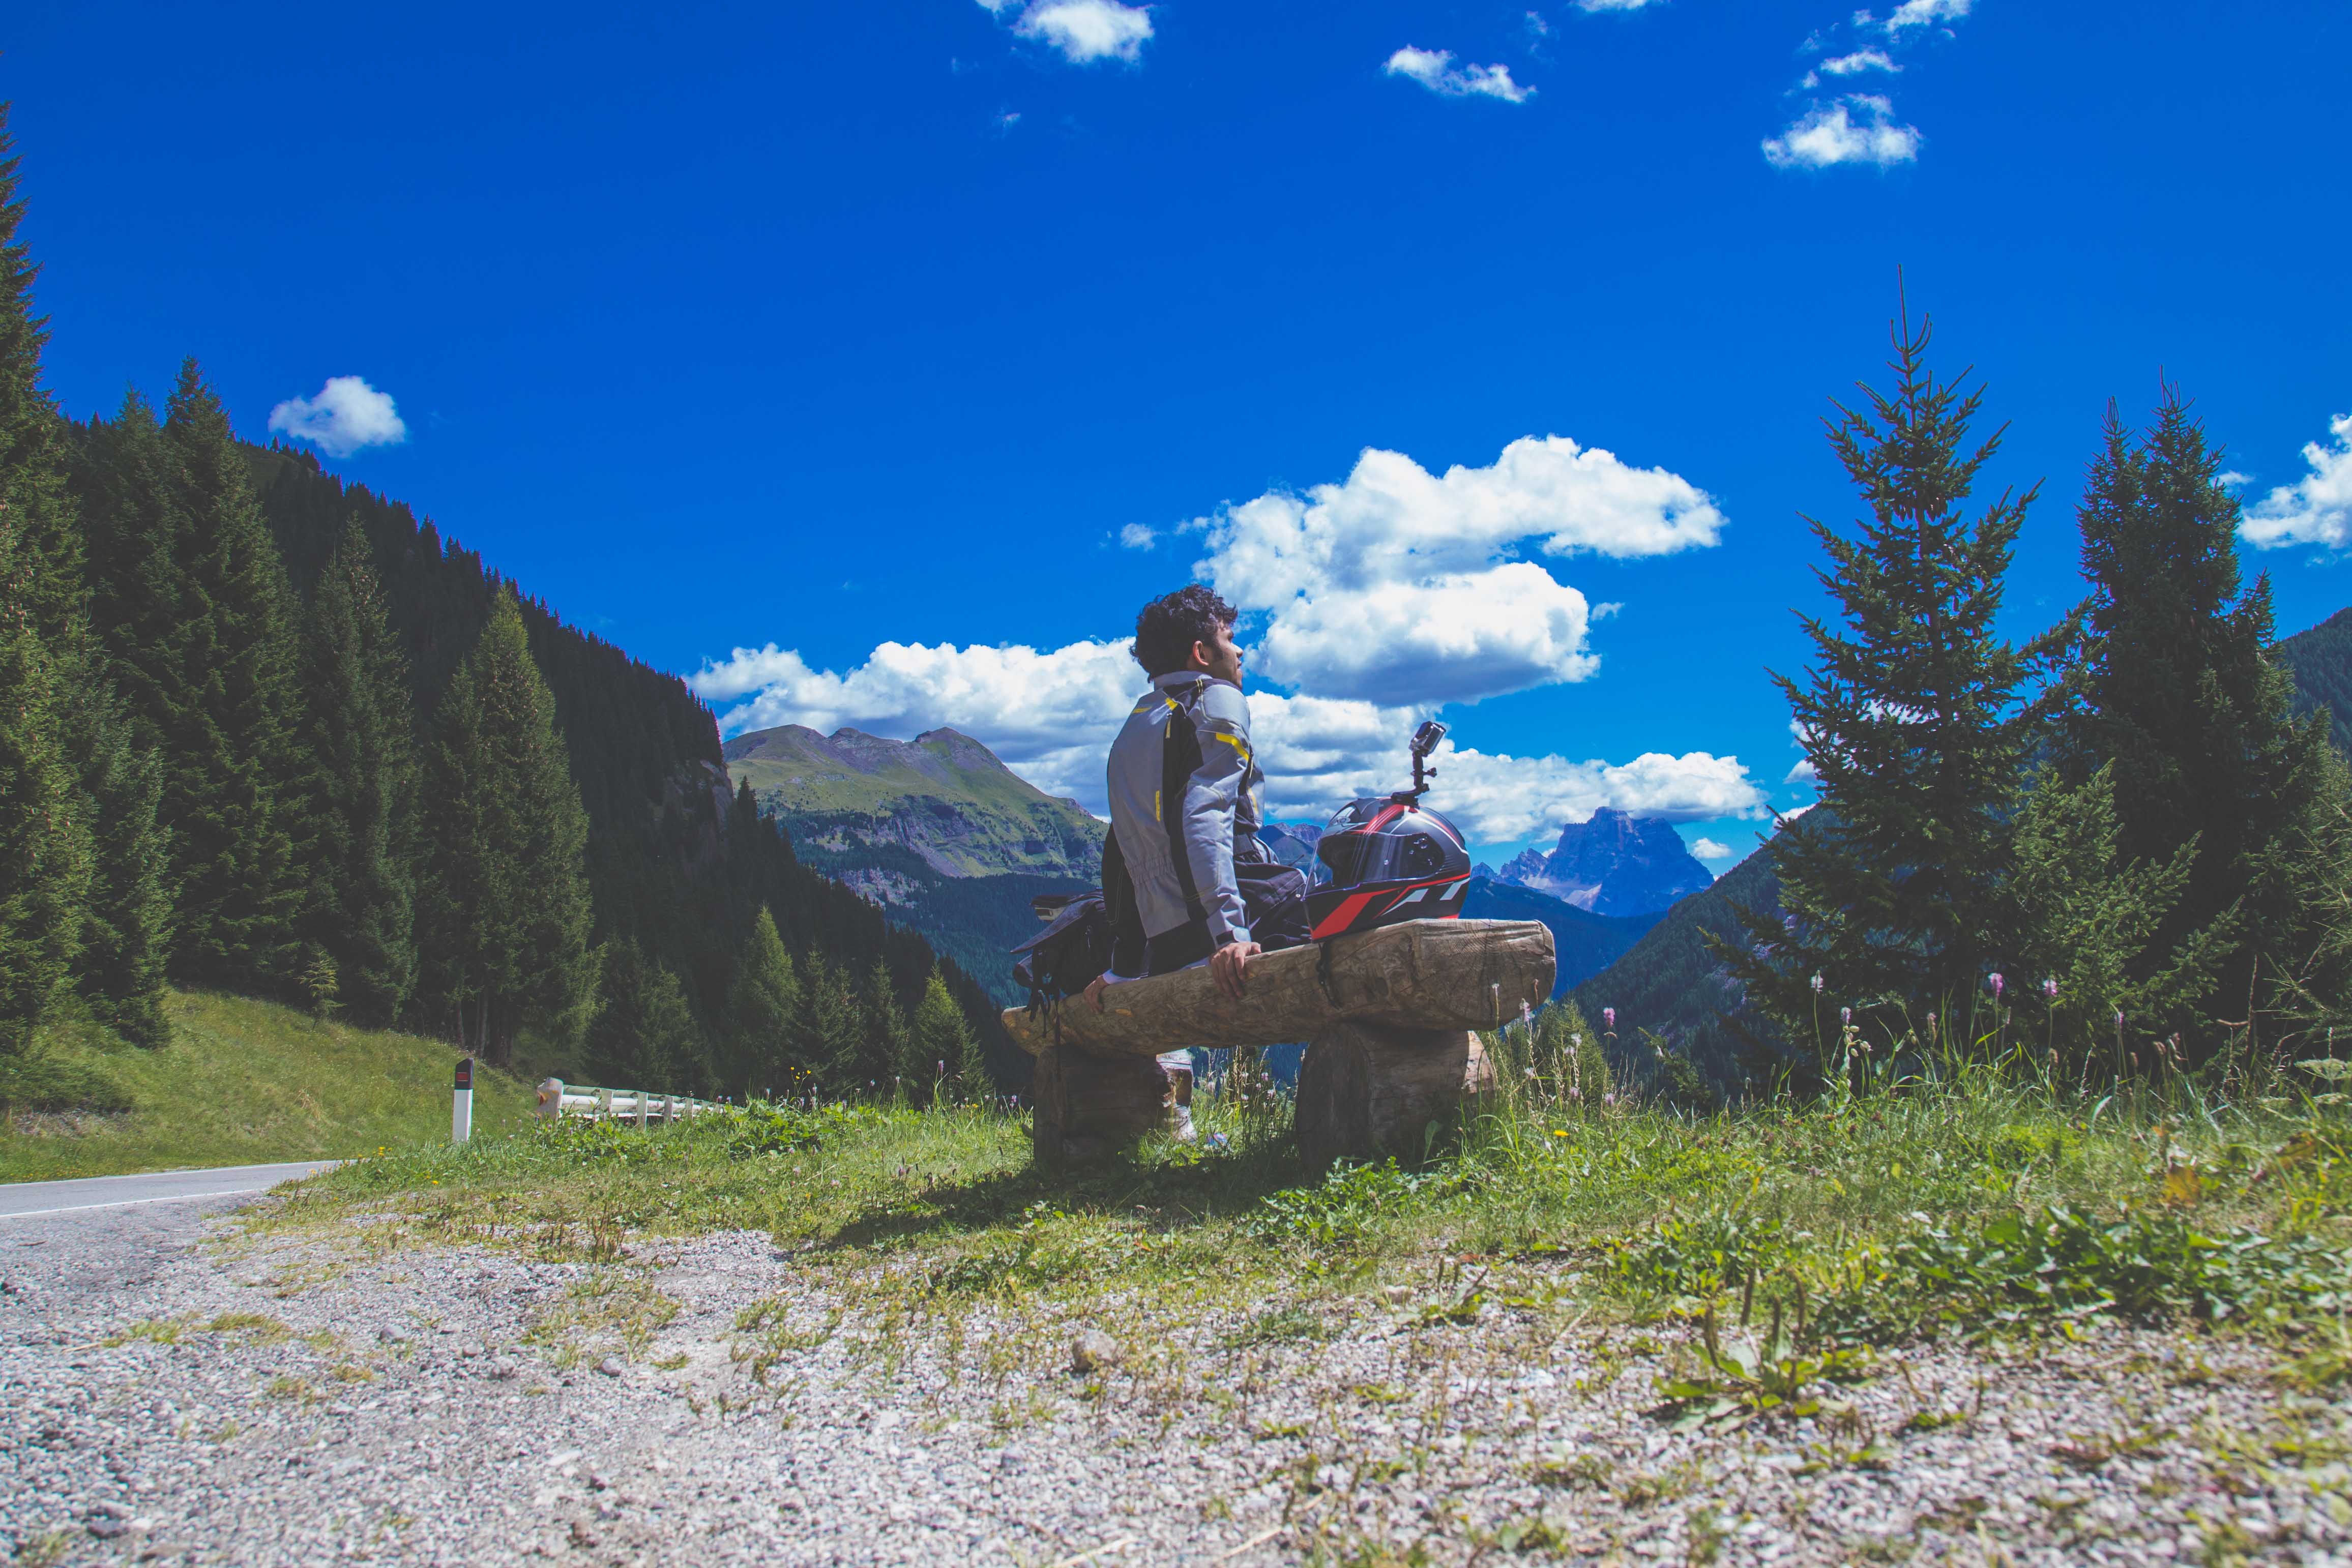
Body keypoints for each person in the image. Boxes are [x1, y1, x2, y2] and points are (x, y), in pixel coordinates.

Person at [1084, 586, 1309, 1138]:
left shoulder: (1134, 726)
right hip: (1219, 925)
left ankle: (1176, 1121)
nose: (1240, 653)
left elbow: (1125, 849)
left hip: (1164, 940)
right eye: (1230, 640)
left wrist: (1124, 962)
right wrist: (1229, 932)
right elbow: (1205, 816)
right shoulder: (1216, 700)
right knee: (1341, 920)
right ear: (1200, 654)